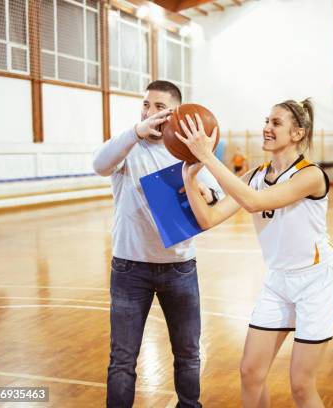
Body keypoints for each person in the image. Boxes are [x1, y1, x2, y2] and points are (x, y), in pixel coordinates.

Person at [176, 99, 333, 408]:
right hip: (278, 281)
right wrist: (190, 178)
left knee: (301, 386)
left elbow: (254, 202)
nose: (266, 127)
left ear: (297, 133)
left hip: (318, 282)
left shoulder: (311, 175)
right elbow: (208, 220)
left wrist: (208, 157)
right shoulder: (255, 175)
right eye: (267, 120)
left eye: (276, 123)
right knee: (250, 372)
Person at [92, 80, 222, 408]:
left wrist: (207, 193)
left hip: (180, 267)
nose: (151, 112)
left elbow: (215, 192)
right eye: (146, 105)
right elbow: (99, 164)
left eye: (160, 107)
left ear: (175, 113)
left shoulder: (185, 152)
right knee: (122, 359)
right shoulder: (127, 147)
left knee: (188, 353)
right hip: (129, 268)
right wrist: (136, 130)